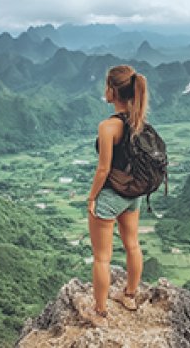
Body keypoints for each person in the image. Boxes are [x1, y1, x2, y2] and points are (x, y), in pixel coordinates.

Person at [81, 64, 149, 327]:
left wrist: (91, 198)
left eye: (106, 86)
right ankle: (130, 295)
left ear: (112, 90)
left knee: (102, 257)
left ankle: (99, 312)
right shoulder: (138, 120)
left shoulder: (108, 126)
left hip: (110, 196)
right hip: (133, 194)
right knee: (132, 245)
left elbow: (103, 169)